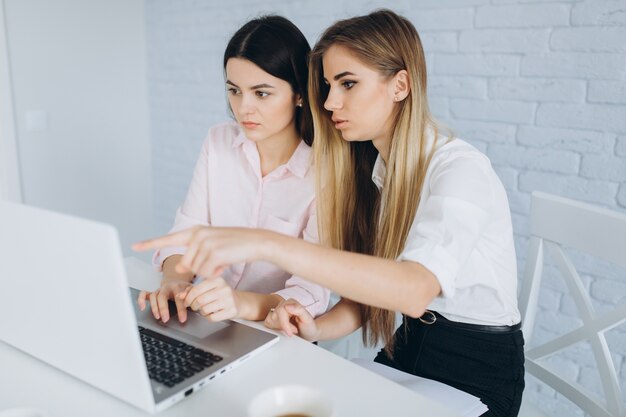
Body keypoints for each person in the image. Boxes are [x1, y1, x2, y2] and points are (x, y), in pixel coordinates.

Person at [134, 9, 524, 417]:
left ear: (401, 85)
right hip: (408, 347)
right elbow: (365, 302)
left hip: (479, 369)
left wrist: (268, 244)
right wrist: (316, 328)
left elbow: (413, 292)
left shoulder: (460, 169)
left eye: (348, 84)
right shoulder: (376, 172)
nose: (330, 101)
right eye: (327, 85)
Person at [137, 15, 330, 325]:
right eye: (235, 90)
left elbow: (310, 290)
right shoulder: (219, 141)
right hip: (209, 319)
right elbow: (188, 232)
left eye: (261, 93)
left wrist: (236, 303)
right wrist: (176, 282)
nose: (243, 108)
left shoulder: (325, 174)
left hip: (279, 333)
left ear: (298, 94)